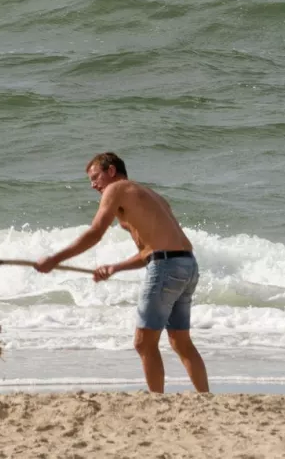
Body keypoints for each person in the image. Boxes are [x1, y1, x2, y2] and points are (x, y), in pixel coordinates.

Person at [35, 152, 209, 393]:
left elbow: (95, 233)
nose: (93, 185)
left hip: (167, 268)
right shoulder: (150, 196)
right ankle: (205, 398)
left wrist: (55, 259)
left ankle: (156, 401)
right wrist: (116, 267)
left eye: (96, 177)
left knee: (143, 343)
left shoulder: (116, 190)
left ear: (112, 171)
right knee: (180, 341)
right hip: (187, 265)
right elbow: (153, 251)